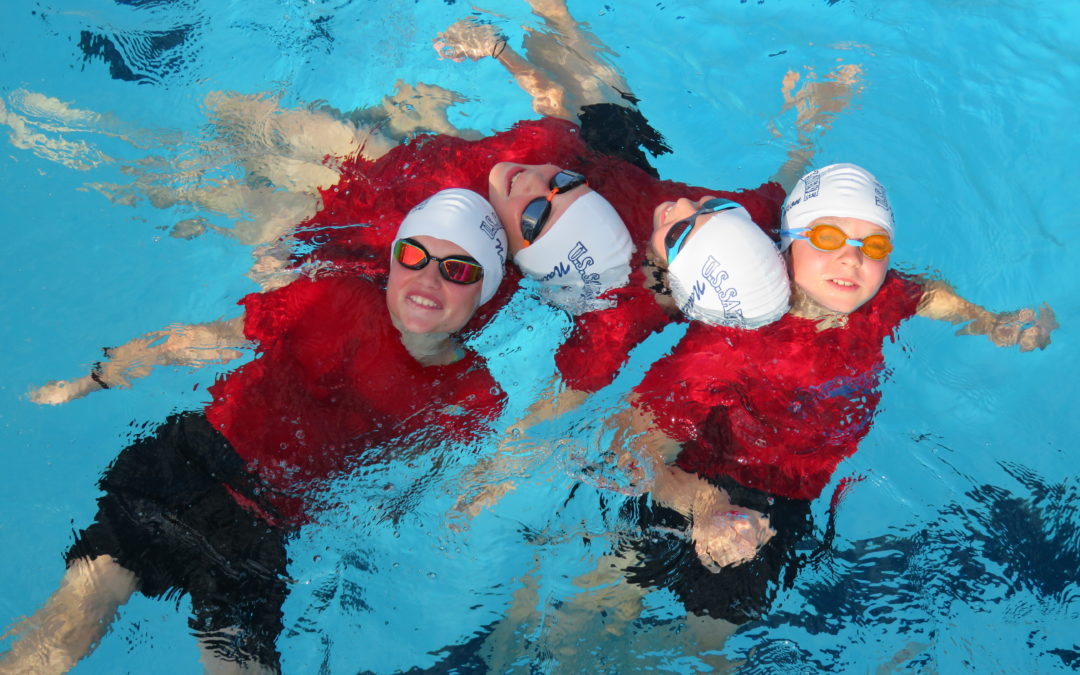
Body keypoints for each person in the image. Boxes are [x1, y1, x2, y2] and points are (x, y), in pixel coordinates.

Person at [0, 189, 509, 674]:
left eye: (458, 269)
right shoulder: (332, 294)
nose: (427, 278)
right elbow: (208, 341)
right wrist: (93, 380)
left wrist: (469, 506)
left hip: (260, 530)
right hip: (186, 465)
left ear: (484, 290)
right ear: (395, 259)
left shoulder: (474, 395)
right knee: (72, 620)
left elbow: (451, 480)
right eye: (414, 254)